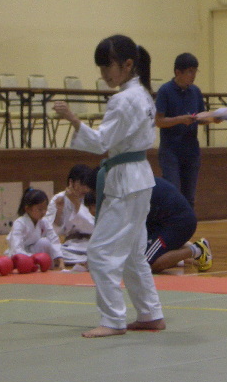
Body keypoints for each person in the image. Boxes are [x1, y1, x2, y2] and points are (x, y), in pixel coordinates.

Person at [53, 34, 165, 338]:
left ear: (128, 65)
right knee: (131, 254)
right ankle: (150, 313)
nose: (104, 75)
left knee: (101, 253)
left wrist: (73, 119)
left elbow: (102, 142)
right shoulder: (142, 94)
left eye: (108, 67)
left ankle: (113, 319)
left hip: (126, 180)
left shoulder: (123, 100)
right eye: (101, 68)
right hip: (139, 177)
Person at [154, 52, 221, 207]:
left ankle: (186, 229)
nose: (193, 75)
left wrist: (213, 118)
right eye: (190, 71)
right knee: (173, 193)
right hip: (170, 151)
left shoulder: (195, 91)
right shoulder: (165, 91)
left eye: (195, 71)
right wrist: (180, 119)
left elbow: (199, 117)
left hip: (191, 150)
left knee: (189, 197)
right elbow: (159, 121)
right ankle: (171, 228)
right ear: (178, 72)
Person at [145, 176, 212, 274]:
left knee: (145, 264)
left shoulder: (135, 189)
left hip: (179, 222)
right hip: (164, 221)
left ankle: (198, 249)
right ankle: (180, 254)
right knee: (136, 255)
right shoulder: (138, 182)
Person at [45, 164, 95, 269]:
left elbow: (94, 227)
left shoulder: (93, 198)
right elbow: (50, 231)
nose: (85, 188)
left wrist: (76, 203)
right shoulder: (58, 199)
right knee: (49, 249)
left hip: (92, 244)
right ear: (71, 182)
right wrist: (58, 214)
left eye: (88, 185)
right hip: (70, 247)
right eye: (82, 184)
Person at [6, 187, 66, 270]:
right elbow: (16, 248)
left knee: (44, 242)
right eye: (39, 209)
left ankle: (46, 266)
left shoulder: (44, 222)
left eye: (45, 209)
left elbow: (53, 239)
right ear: (27, 209)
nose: (43, 212)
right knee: (23, 258)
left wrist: (60, 260)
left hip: (34, 254)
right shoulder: (19, 223)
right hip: (19, 258)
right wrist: (34, 258)